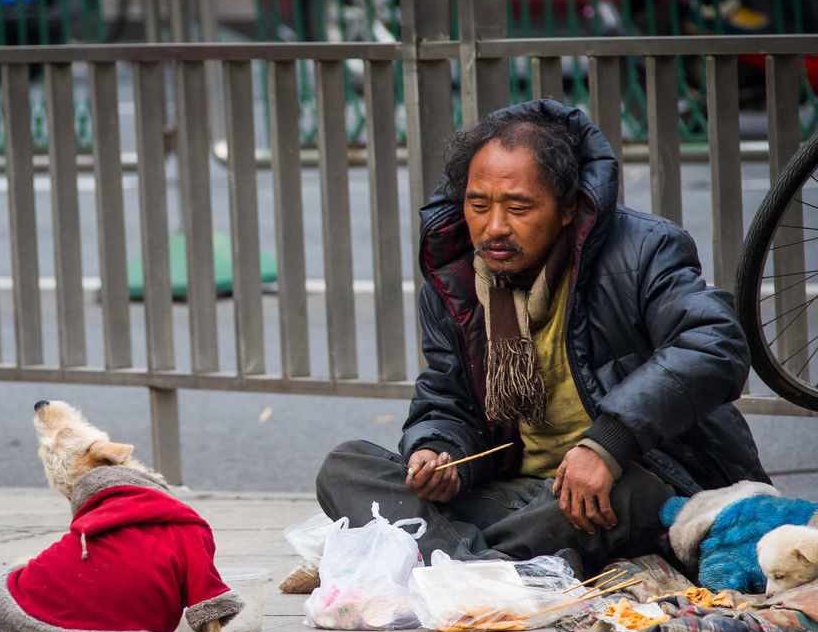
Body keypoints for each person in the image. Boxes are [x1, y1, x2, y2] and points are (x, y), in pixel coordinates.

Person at [316, 99, 770, 578]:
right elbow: (447, 402)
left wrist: (608, 443)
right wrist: (438, 453)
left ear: (568, 208)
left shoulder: (643, 249)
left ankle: (446, 557)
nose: (494, 227)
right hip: (521, 496)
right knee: (345, 467)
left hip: (623, 485)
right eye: (477, 205)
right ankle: (484, 565)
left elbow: (715, 344)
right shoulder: (461, 282)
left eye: (518, 208)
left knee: (633, 495)